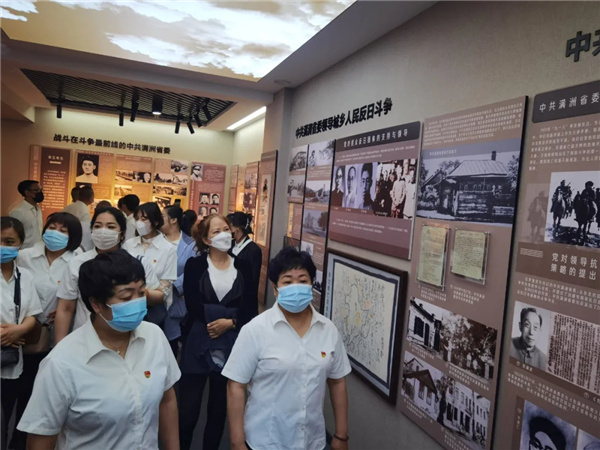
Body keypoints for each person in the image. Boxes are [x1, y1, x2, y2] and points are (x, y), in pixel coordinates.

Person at [17, 250, 180, 450]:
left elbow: (167, 400)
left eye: (141, 293)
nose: (137, 302)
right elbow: (41, 439)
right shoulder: (61, 363)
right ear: (96, 304)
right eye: (126, 297)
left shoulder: (154, 337)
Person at [223, 247, 351, 450]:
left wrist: (341, 435)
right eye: (288, 282)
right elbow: (236, 385)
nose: (296, 287)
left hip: (312, 441)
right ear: (275, 289)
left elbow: (337, 382)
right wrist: (237, 442)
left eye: (303, 280)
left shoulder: (328, 330)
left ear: (311, 285)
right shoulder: (256, 330)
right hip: (265, 442)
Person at [179, 214, 258, 450]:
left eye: (226, 229)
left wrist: (230, 322)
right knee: (188, 411)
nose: (224, 234)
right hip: (198, 338)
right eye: (216, 231)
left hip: (231, 342)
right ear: (206, 239)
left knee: (218, 410)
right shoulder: (195, 266)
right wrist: (223, 317)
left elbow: (249, 308)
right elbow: (193, 304)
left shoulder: (243, 266)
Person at [10, 212, 82, 450]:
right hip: (24, 334)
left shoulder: (78, 260)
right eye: (52, 227)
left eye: (63, 230)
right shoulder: (25, 256)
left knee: (47, 395)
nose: (55, 233)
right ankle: (17, 440)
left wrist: (66, 307)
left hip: (60, 336)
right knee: (22, 389)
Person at [53, 207, 163, 344]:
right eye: (98, 226)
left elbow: (159, 296)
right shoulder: (78, 263)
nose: (103, 231)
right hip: (85, 338)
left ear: (122, 233)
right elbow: (65, 308)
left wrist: (138, 293)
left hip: (131, 336)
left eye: (111, 227)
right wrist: (60, 346)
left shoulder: (136, 261)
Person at [1, 217, 43, 450]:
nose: (2, 246)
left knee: (6, 417)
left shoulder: (25, 276)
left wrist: (19, 330)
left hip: (10, 361)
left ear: (19, 245)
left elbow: (32, 314)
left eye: (9, 242)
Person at [123, 203, 177, 329]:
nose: (139, 223)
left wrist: (142, 293)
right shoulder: (129, 245)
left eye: (144, 219)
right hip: (126, 306)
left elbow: (164, 291)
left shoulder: (168, 249)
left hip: (153, 311)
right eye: (137, 219)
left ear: (156, 222)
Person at [161, 206, 197, 356]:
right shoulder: (156, 241)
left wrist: (174, 286)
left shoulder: (190, 244)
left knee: (171, 346)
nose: (159, 219)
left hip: (177, 300)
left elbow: (192, 270)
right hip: (154, 301)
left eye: (163, 216)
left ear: (173, 220)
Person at [227, 212, 262, 291]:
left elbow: (253, 279)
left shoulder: (253, 250)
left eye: (229, 227)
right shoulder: (230, 245)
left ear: (238, 228)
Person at [8, 180, 44, 249]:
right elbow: (12, 234)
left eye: (41, 189)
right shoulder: (17, 211)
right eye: (36, 190)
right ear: (27, 192)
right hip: (23, 250)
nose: (40, 192)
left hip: (37, 249)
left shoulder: (37, 208)